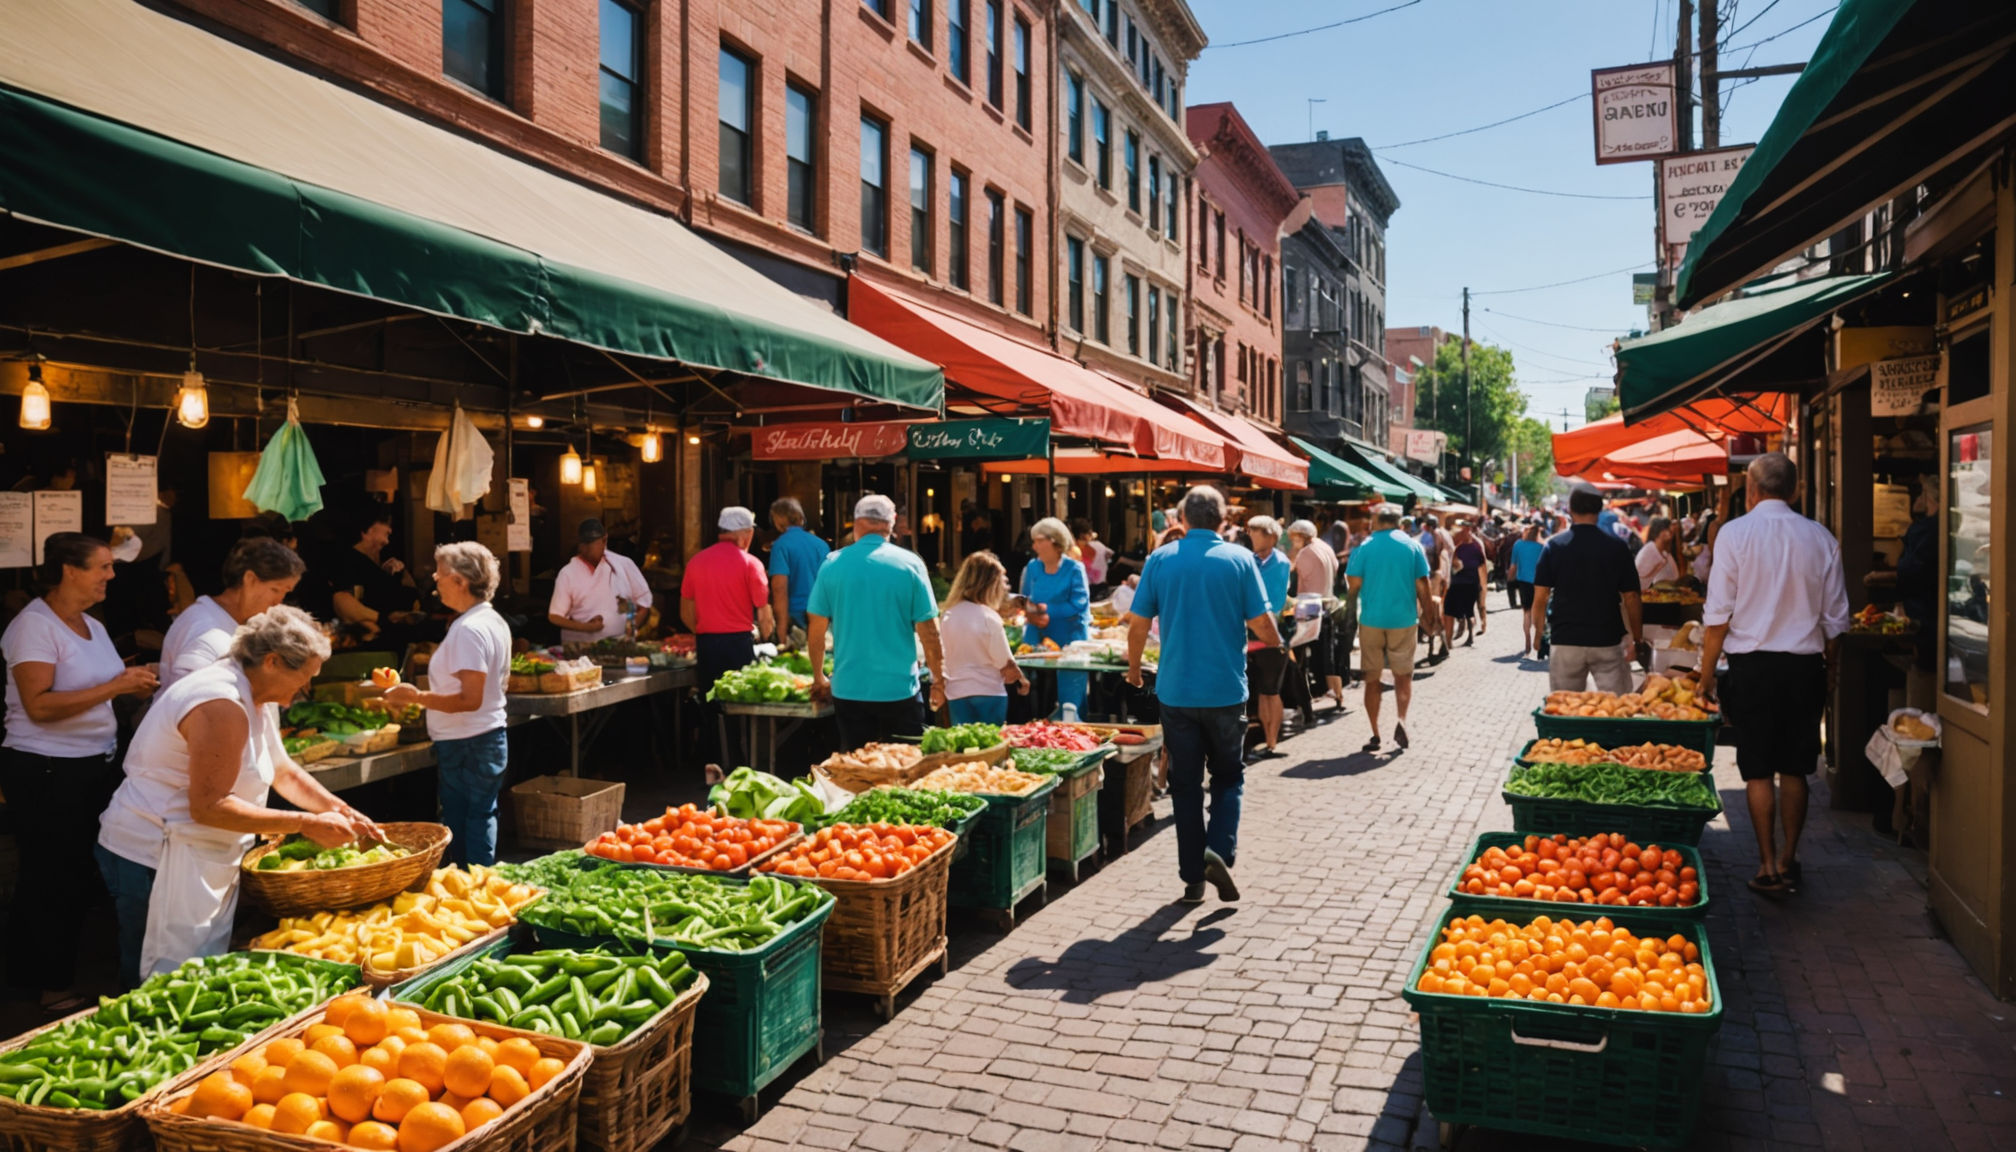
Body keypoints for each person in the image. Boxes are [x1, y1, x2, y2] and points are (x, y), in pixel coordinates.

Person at [97, 606, 377, 986]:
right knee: (156, 980)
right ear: (273, 662)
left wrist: (342, 810)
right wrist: (308, 823)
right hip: (155, 855)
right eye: (303, 679)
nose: (304, 691)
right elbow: (209, 806)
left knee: (193, 974)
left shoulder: (255, 696)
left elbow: (284, 772)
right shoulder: (220, 703)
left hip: (196, 853)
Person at [1, 534, 159, 1009]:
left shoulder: (91, 623)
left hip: (91, 764)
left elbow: (98, 688)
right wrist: (115, 686)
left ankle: (45, 973)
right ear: (70, 570)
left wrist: (132, 687)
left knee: (76, 874)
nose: (111, 576)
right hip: (46, 769)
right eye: (102, 567)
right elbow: (39, 706)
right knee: (53, 877)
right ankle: (50, 988)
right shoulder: (34, 627)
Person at [1695, 453, 1850, 896]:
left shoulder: (1733, 534)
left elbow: (1717, 616)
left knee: (1758, 770)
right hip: (1805, 667)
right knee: (1797, 768)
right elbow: (1836, 621)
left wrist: (1706, 675)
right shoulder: (1821, 538)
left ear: (1751, 490)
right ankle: (1789, 858)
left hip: (1753, 668)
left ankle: (1766, 865)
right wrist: (1831, 669)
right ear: (1796, 490)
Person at [1124, 486, 1279, 904]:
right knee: (1228, 775)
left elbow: (1137, 624)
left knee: (1185, 784)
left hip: (1176, 690)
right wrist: (1279, 641)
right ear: (1223, 519)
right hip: (1225, 689)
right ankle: (1220, 850)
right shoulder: (1241, 559)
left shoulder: (1161, 560)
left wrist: (1135, 668)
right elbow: (1263, 623)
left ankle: (1193, 876)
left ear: (1184, 519)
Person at [381, 544, 511, 867]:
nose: (435, 581)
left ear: (460, 581)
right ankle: (480, 889)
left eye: (440, 574)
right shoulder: (490, 621)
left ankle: (475, 890)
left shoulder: (468, 630)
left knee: (466, 821)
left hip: (467, 743)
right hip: (483, 738)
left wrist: (417, 698)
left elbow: (471, 698)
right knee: (480, 815)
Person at [807, 495, 945, 749]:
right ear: (891, 524)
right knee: (906, 772)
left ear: (856, 523)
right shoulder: (910, 564)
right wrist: (938, 680)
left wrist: (819, 677)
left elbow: (816, 629)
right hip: (899, 689)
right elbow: (930, 633)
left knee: (859, 770)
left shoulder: (832, 564)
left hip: (848, 690)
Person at [681, 508, 774, 768]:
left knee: (712, 705)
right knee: (740, 706)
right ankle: (741, 764)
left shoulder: (696, 561)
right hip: (738, 645)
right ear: (746, 534)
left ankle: (714, 765)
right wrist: (769, 639)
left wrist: (703, 629)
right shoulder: (751, 563)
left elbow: (685, 610)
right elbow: (764, 614)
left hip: (707, 644)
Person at [1531, 486, 1645, 693]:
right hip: (1607, 640)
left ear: (1570, 510)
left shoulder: (1554, 547)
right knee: (1615, 711)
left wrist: (1537, 634)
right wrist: (1637, 637)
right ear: (1599, 510)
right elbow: (1632, 597)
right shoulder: (1617, 547)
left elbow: (1540, 596)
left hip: (1565, 640)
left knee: (1566, 710)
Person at [1344, 506, 1436, 753]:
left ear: (1375, 520)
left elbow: (1352, 588)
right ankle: (1401, 720)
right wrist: (1430, 616)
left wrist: (1349, 619)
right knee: (1403, 676)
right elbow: (1424, 587)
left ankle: (1375, 733)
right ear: (1399, 523)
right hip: (1404, 621)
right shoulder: (1413, 546)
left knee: (1372, 677)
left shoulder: (1363, 547)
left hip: (1371, 620)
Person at [158, 537, 306, 688]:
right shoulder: (203, 629)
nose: (278, 601)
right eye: (275, 589)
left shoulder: (236, 621)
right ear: (250, 579)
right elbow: (193, 701)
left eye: (285, 593)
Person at [939, 551, 1030, 724]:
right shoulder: (988, 617)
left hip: (956, 693)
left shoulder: (948, 615)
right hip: (989, 692)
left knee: (963, 747)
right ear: (989, 584)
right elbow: (1005, 662)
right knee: (991, 747)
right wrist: (1022, 681)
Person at [1019, 518, 1091, 719]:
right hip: (1039, 637)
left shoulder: (1074, 569)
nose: (1034, 546)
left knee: (1070, 699)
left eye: (1038, 540)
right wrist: (1031, 615)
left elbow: (1080, 604)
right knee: (1029, 688)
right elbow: (1025, 600)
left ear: (1053, 541)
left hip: (1071, 637)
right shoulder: (1032, 567)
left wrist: (1048, 611)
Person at [329, 507, 422, 642]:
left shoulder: (376, 564)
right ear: (367, 531)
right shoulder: (348, 561)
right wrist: (381, 627)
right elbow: (345, 605)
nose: (387, 541)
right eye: (386, 534)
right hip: (385, 636)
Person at [549, 518, 647, 642]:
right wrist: (587, 627)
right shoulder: (568, 574)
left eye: (598, 543)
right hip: (579, 648)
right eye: (589, 544)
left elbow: (640, 604)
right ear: (581, 547)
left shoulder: (620, 569)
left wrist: (629, 631)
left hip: (617, 647)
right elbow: (555, 616)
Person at [1243, 516, 1293, 755]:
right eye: (1250, 531)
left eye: (1256, 532)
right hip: (1250, 635)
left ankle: (1272, 742)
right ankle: (1266, 739)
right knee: (1262, 691)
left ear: (1271, 537)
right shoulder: (1250, 560)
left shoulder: (1280, 562)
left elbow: (1271, 603)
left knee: (1271, 690)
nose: (1251, 535)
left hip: (1270, 635)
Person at [1287, 520, 1344, 710]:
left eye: (1293, 537)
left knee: (1302, 658)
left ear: (1301, 536)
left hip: (1309, 610)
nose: (1292, 542)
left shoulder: (1305, 553)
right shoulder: (1325, 547)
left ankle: (1305, 701)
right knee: (1327, 655)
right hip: (1327, 605)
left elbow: (1295, 580)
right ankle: (1337, 694)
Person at [766, 497, 829, 646]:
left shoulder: (780, 546)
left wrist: (781, 633)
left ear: (778, 520)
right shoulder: (821, 545)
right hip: (819, 615)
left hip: (794, 618)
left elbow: (779, 588)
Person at [1444, 521, 1488, 648]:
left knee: (1468, 610)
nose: (1464, 530)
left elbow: (1482, 563)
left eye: (1466, 528)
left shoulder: (1476, 545)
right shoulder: (1458, 543)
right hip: (1459, 581)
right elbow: (1452, 558)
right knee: (1458, 609)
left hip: (1470, 581)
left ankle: (1469, 636)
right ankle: (1459, 634)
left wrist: (1482, 584)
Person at [1509, 524, 1545, 658]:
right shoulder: (1542, 547)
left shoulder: (1518, 545)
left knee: (1527, 612)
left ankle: (1527, 643)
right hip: (1539, 583)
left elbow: (1513, 565)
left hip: (1523, 582)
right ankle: (1538, 640)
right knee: (1540, 612)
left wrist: (1509, 578)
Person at [1635, 516, 1682, 590]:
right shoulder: (1649, 551)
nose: (1670, 534)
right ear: (1662, 533)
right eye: (1669, 531)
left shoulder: (1664, 552)